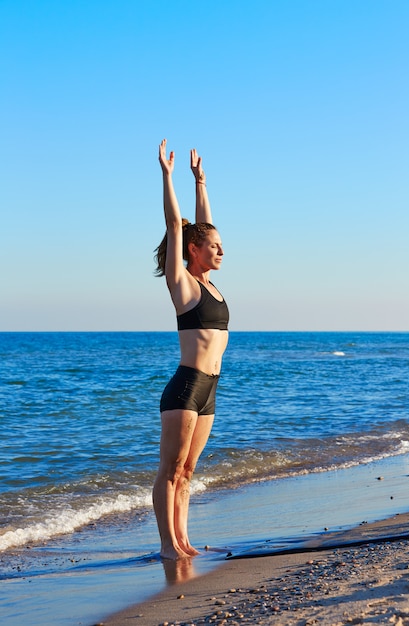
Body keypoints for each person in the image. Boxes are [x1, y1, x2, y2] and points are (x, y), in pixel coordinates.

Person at [153, 139, 229, 560]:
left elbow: (203, 226)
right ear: (193, 252)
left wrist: (201, 182)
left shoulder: (212, 285)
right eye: (214, 247)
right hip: (186, 388)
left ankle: (183, 540)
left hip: (210, 390)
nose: (220, 251)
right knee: (169, 471)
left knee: (188, 471)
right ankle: (168, 546)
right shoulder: (183, 286)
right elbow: (177, 227)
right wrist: (168, 175)